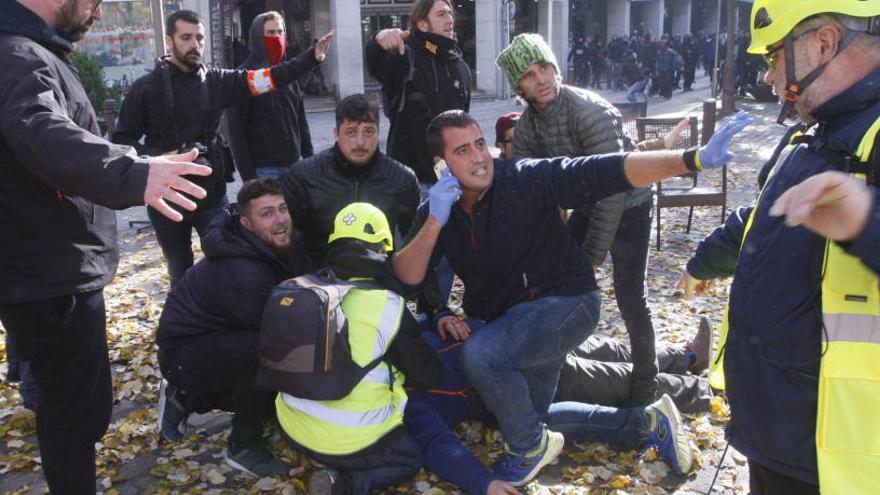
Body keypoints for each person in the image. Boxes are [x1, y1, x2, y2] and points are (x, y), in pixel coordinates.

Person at [392, 109, 748, 486]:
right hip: (512, 322)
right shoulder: (440, 209)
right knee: (528, 418)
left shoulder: (521, 179)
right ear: (440, 165)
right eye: (462, 151)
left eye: (479, 144)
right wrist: (434, 220)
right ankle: (647, 422)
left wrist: (691, 159)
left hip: (567, 303)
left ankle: (530, 447)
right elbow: (407, 277)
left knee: (481, 354)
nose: (479, 157)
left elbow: (599, 171)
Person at [0, 0, 214, 491]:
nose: (97, 15)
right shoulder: (17, 55)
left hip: (49, 268)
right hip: (52, 275)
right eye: (95, 3)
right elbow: (44, 133)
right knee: (73, 416)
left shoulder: (27, 50)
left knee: (69, 411)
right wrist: (133, 171)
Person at [679, 2, 880, 492]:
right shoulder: (814, 133)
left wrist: (864, 220)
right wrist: (707, 259)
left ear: (825, 43)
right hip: (778, 427)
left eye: (773, 56)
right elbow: (767, 216)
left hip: (839, 449)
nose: (769, 76)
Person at [112, 9, 332, 286]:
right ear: (170, 41)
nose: (195, 45)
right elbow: (121, 143)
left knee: (230, 263)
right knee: (180, 270)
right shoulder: (145, 88)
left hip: (211, 196)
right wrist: (156, 157)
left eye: (200, 38)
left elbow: (269, 78)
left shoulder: (217, 81)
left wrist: (310, 59)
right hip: (166, 199)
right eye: (186, 37)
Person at [496, 33, 657, 406]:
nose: (542, 79)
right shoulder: (528, 128)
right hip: (588, 202)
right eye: (529, 75)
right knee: (557, 284)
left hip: (629, 202)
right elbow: (523, 188)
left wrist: (591, 256)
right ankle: (560, 362)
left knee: (630, 295)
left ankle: (646, 382)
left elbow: (613, 189)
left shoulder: (588, 110)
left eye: (546, 68)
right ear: (519, 86)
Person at [275, 202, 442, 495]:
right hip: (350, 442)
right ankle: (346, 483)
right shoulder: (388, 304)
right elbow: (426, 376)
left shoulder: (303, 288)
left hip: (291, 427)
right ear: (382, 249)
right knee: (409, 458)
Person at [155, 179, 309, 476]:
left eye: (282, 209)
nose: (279, 220)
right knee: (268, 352)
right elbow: (282, 335)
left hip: (216, 339)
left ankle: (187, 397)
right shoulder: (243, 272)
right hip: (182, 353)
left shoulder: (275, 242)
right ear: (247, 224)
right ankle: (243, 447)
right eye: (266, 214)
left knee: (270, 372)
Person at [281, 94, 420, 267]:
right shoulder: (303, 177)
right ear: (336, 133)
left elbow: (415, 245)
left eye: (368, 131)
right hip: (320, 281)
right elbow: (289, 244)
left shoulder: (402, 179)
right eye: (351, 132)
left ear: (379, 132)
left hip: (378, 281)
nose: (360, 142)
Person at [365, 0, 471, 189]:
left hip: (451, 179)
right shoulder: (405, 56)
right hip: (409, 183)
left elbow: (464, 123)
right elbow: (376, 65)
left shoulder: (459, 65)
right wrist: (377, 42)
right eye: (441, 14)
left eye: (450, 13)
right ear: (422, 24)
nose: (449, 20)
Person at [225, 11, 313, 182]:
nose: (277, 37)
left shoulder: (289, 75)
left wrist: (309, 160)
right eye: (271, 33)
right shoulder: (244, 77)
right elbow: (235, 132)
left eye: (280, 32)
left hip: (295, 167)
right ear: (258, 36)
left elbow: (301, 122)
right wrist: (249, 177)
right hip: (264, 171)